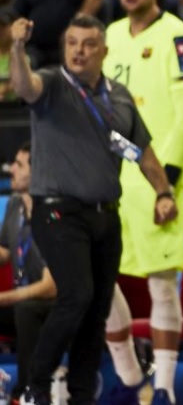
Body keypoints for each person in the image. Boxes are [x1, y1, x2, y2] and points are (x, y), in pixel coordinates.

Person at [8, 14, 177, 405]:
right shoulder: (52, 84)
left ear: (104, 50)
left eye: (88, 44)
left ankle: (82, 396)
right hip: (58, 213)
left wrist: (163, 193)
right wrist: (17, 47)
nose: (79, 51)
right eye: (72, 43)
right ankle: (34, 386)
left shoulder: (120, 96)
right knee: (77, 294)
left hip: (105, 215)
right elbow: (23, 85)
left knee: (96, 309)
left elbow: (143, 153)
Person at [102, 0, 183, 405]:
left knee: (161, 282)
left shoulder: (178, 36)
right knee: (99, 276)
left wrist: (169, 179)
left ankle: (164, 388)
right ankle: (129, 376)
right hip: (111, 177)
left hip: (158, 176)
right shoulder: (109, 35)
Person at [0, 142, 56, 400]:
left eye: (19, 165)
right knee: (22, 308)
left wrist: (5, 298)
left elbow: (50, 287)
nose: (11, 169)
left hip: (54, 305)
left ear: (38, 171)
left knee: (26, 310)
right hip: (21, 299)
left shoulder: (54, 215)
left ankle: (27, 391)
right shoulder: (14, 205)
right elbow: (5, 252)